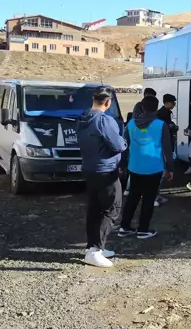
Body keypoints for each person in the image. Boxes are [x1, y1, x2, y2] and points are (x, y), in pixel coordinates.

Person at [76, 86, 128, 268]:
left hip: (89, 168)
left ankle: (94, 246)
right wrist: (124, 141)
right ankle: (95, 251)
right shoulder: (105, 121)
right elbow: (117, 145)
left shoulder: (83, 118)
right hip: (106, 170)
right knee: (112, 208)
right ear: (108, 102)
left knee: (94, 209)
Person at [118, 96, 174, 239]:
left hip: (135, 167)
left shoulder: (130, 124)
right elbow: (168, 148)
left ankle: (124, 227)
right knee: (149, 199)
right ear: (156, 108)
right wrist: (170, 168)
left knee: (132, 197)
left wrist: (122, 165)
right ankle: (143, 229)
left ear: (142, 107)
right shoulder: (161, 125)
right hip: (154, 167)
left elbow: (124, 147)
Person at [154, 93, 179, 207]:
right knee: (161, 173)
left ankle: (156, 195)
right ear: (167, 103)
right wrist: (171, 127)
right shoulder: (161, 114)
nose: (174, 104)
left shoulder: (166, 113)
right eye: (173, 102)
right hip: (163, 145)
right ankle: (154, 196)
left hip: (166, 143)